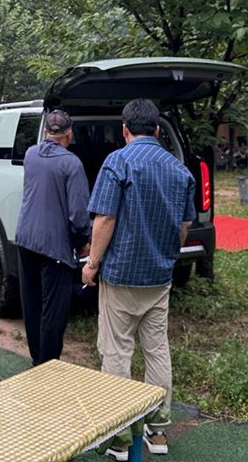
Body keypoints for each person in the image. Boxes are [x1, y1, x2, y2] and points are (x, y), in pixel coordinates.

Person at [83, 99, 196, 461]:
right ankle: (157, 431)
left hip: (120, 275)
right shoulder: (180, 170)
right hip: (159, 276)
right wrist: (167, 255)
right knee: (157, 350)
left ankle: (119, 438)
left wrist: (92, 263)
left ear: (125, 129)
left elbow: (105, 219)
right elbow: (184, 225)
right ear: (158, 130)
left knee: (117, 352)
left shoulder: (118, 162)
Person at [15, 109, 91, 365]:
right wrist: (82, 241)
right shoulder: (72, 163)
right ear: (69, 133)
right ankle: (47, 365)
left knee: (32, 303)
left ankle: (36, 357)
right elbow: (78, 213)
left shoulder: (30, 154)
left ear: (46, 132)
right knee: (53, 310)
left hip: (26, 239)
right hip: (54, 245)